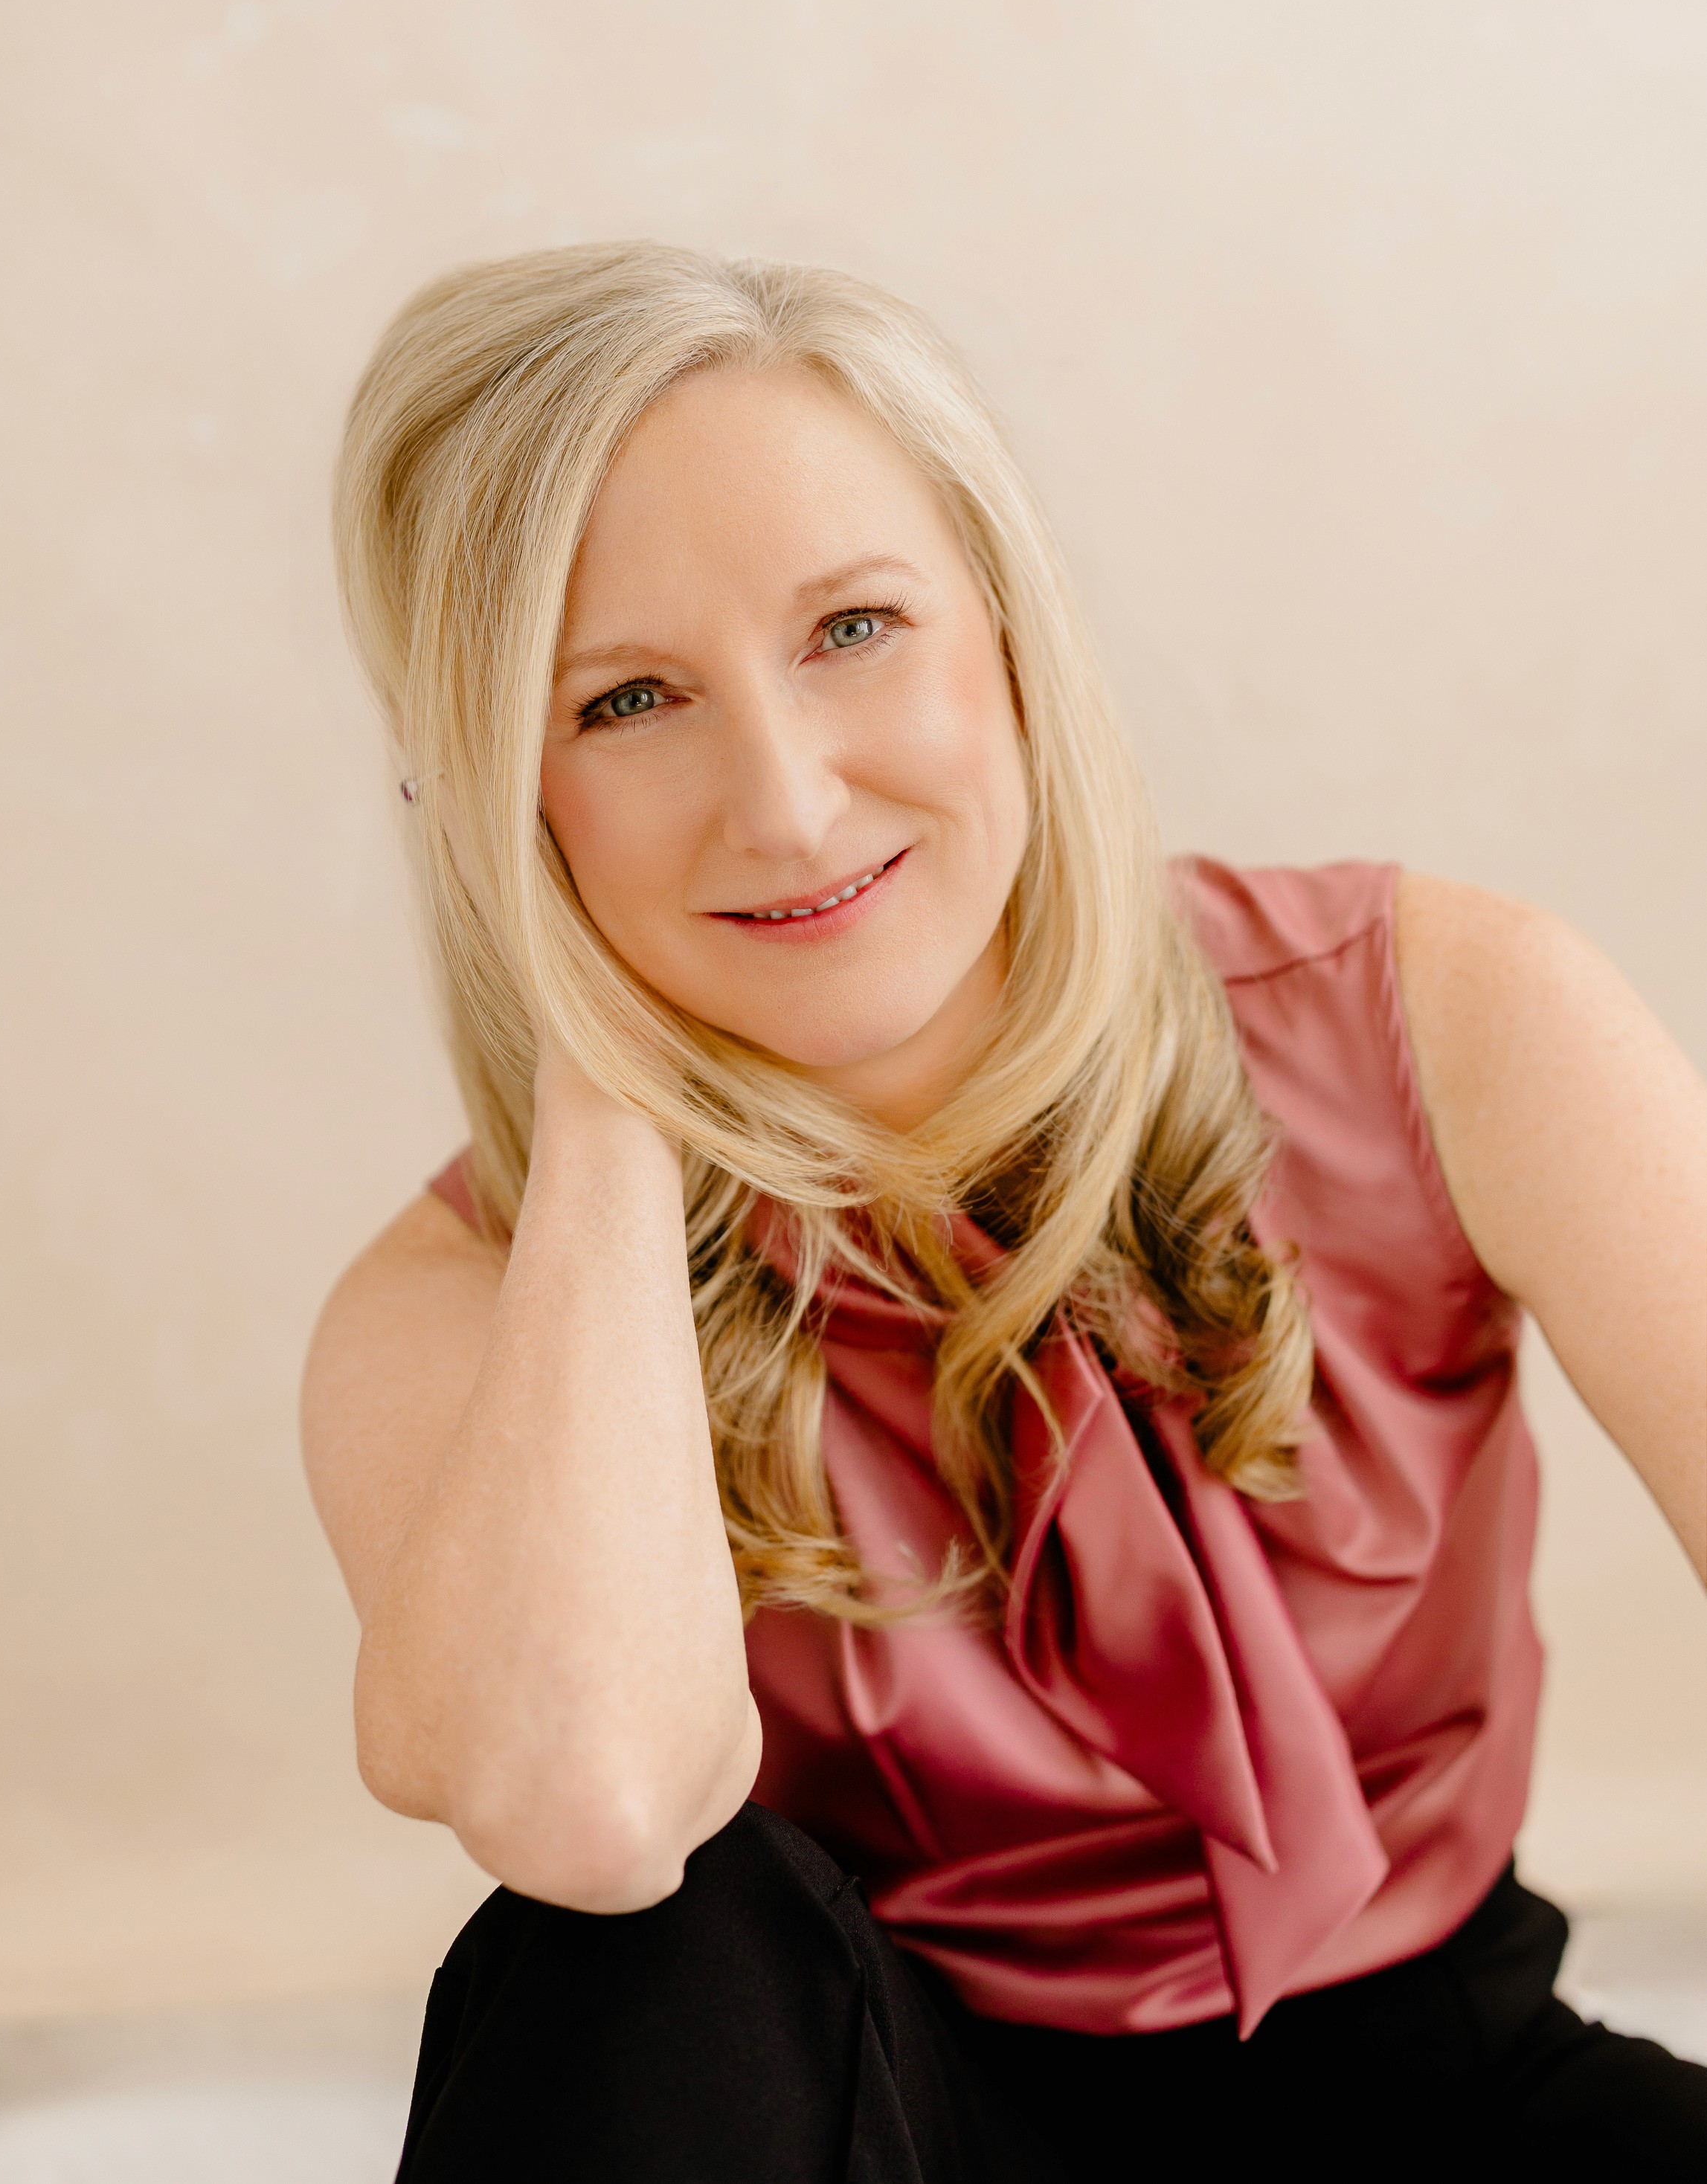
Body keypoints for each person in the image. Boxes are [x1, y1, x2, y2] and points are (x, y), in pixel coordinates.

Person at [303, 243, 1707, 2181]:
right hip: (898, 2128)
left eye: (854, 627)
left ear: (1009, 633)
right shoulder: (457, 1302)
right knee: (634, 1950)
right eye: (624, 700)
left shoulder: (1442, 1018)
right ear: (496, 804)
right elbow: (592, 1806)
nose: (787, 803)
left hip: (1453, 2090)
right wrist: (603, 1089)